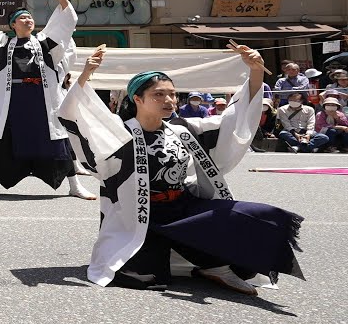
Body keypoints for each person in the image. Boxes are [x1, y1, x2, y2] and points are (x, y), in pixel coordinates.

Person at [62, 44, 303, 294]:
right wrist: (85, 74)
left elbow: (235, 119)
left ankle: (212, 267)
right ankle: (205, 262)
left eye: (172, 94)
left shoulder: (183, 129)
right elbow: (80, 115)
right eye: (159, 94)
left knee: (256, 219)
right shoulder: (119, 132)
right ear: (137, 99)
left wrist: (255, 72)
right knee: (149, 276)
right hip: (142, 216)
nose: (169, 100)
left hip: (184, 207)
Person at [0, 0, 95, 200]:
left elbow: (67, 22)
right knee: (0, 140)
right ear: (13, 24)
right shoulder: (1, 43)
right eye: (22, 18)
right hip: (12, 101)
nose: (28, 20)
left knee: (58, 140)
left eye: (30, 17)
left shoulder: (45, 43)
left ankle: (74, 185)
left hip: (42, 100)